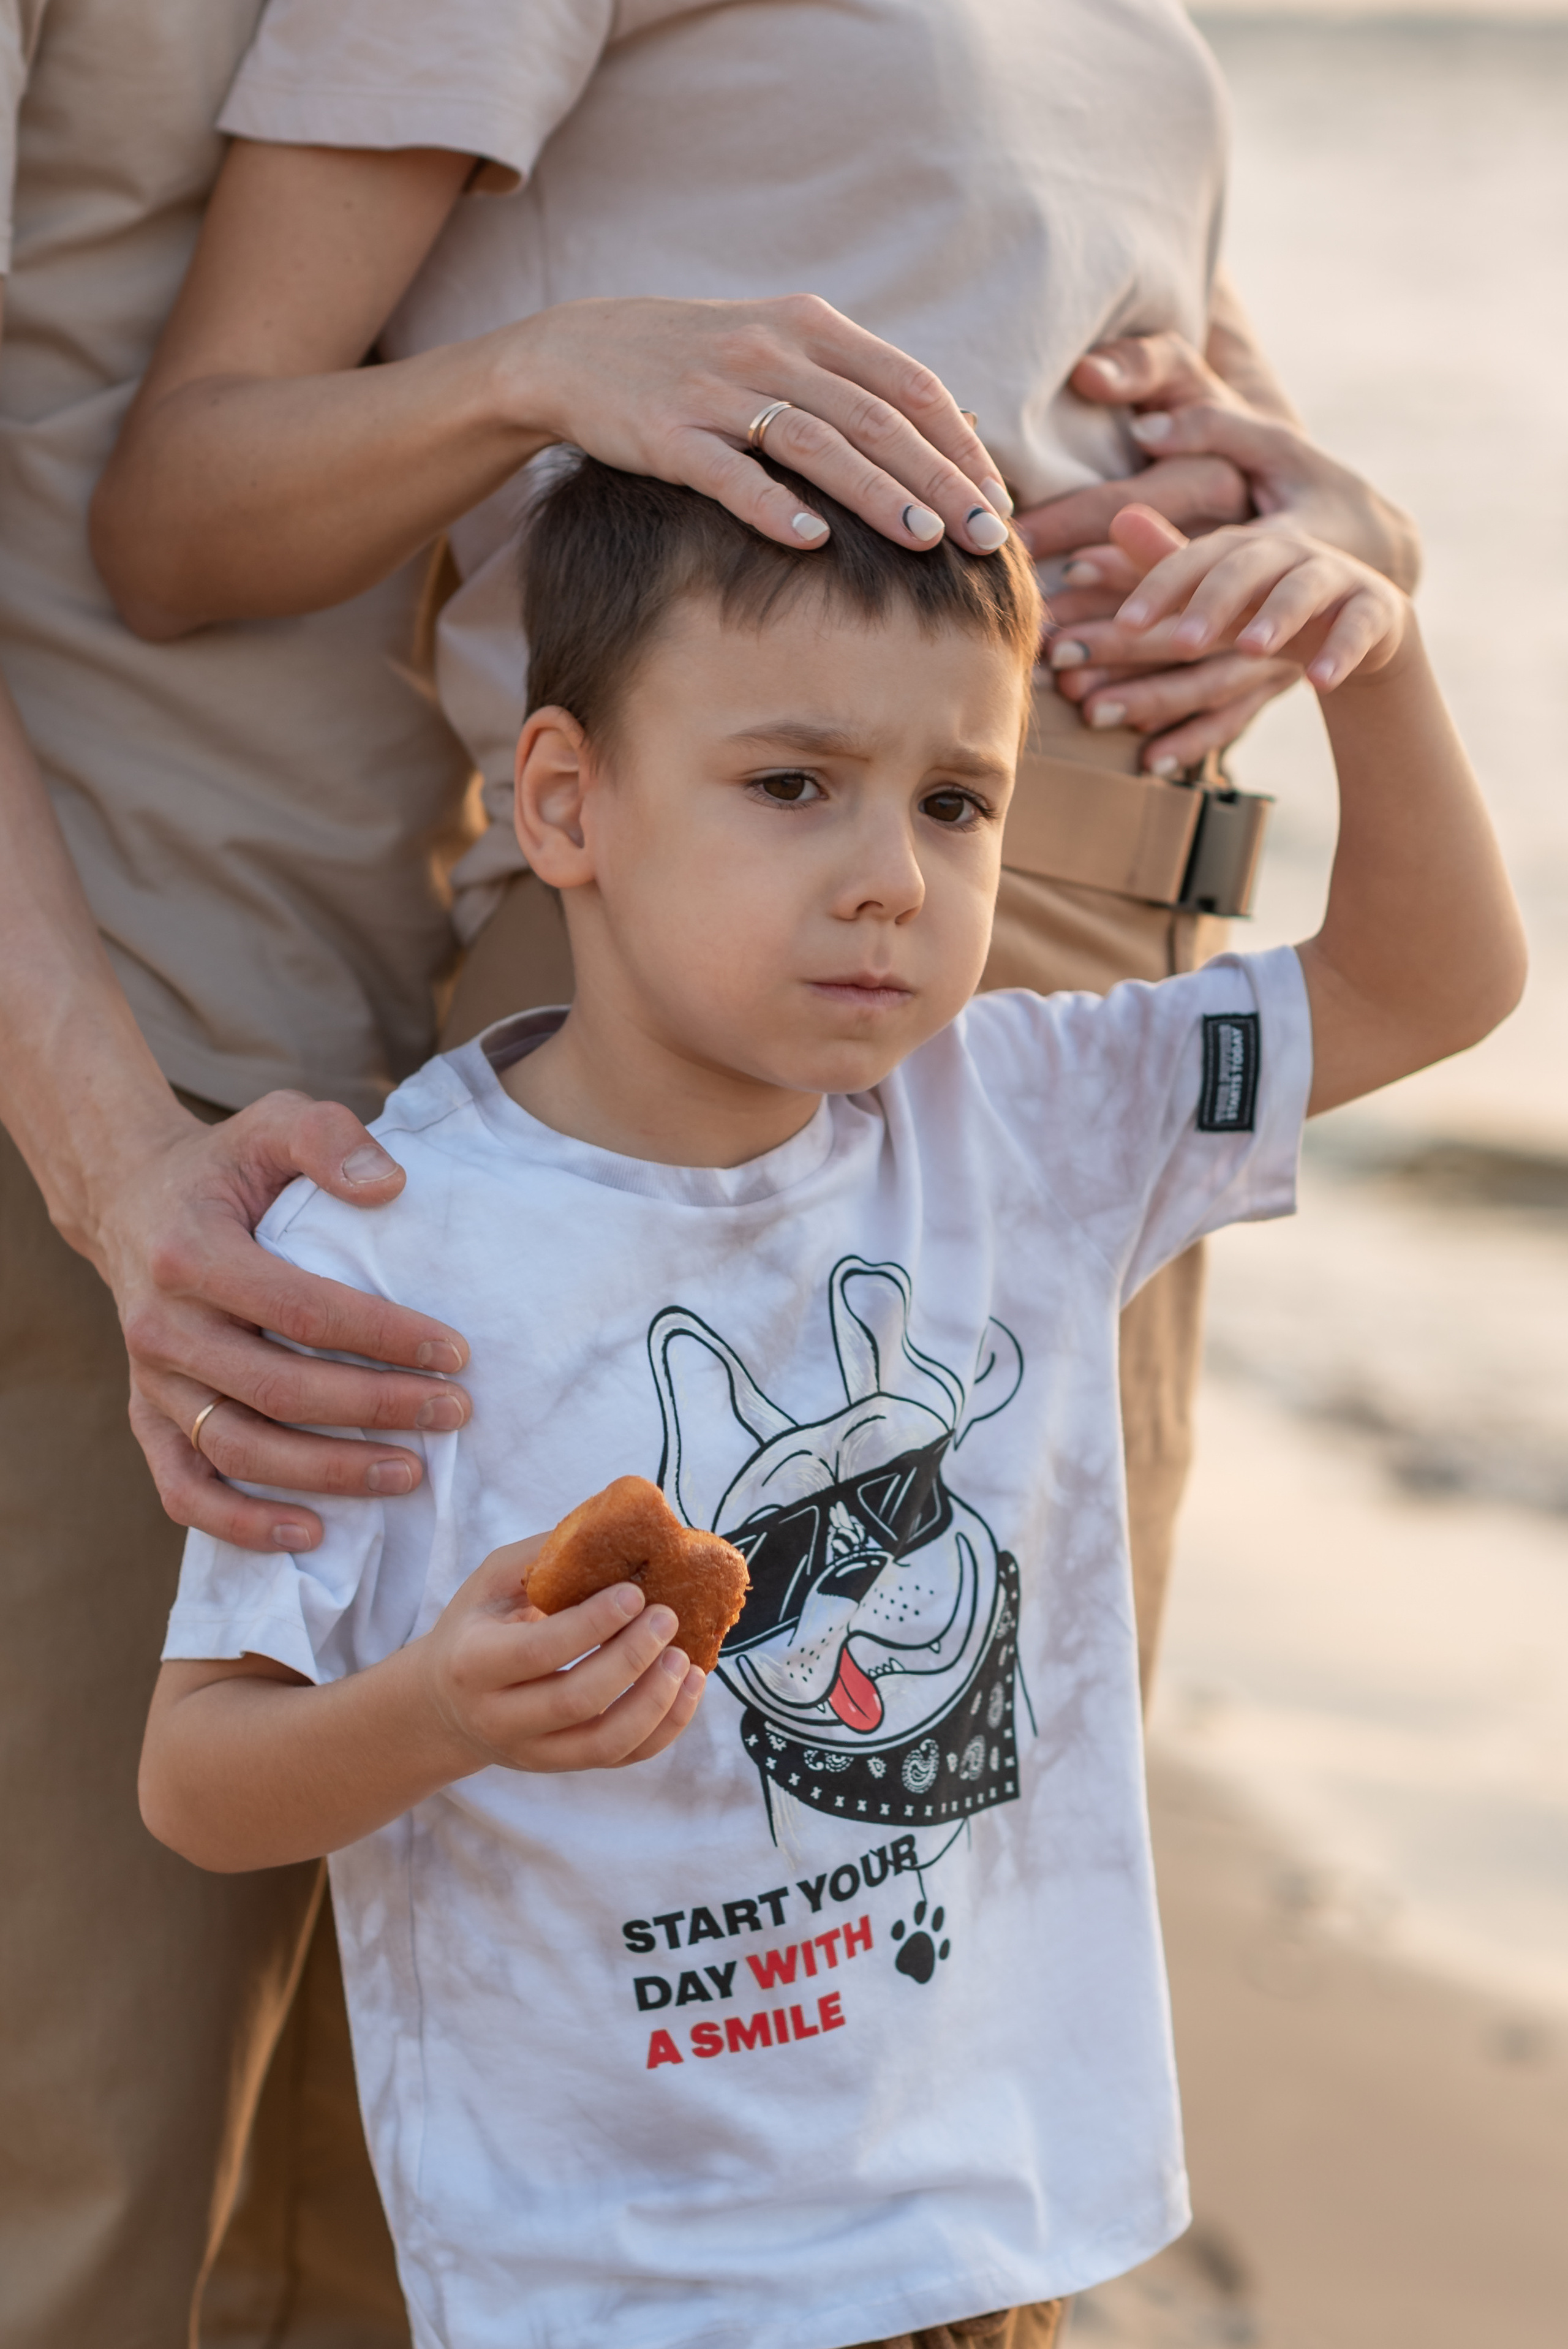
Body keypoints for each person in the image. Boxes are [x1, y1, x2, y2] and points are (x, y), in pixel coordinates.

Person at [138, 453, 1522, 2349]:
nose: (890, 873)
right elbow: (199, 1778)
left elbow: (1436, 983)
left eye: (958, 801)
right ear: (568, 801)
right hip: (614, 2286)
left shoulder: (1024, 1118)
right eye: (793, 786)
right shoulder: (388, 1249)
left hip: (979, 2230)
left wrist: (1375, 658)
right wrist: (437, 1708)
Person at [0, 7, 1102, 2343]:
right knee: (102, 2145)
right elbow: (185, 487)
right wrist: (111, 1159)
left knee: (635, 2056)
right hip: (131, 1031)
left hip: (492, 1002)